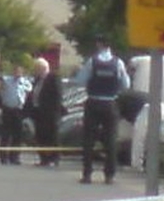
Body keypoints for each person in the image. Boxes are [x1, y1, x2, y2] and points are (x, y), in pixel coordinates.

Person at [74, 35, 130, 184]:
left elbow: (80, 80)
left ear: (99, 44)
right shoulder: (118, 63)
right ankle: (109, 175)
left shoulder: (92, 61)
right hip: (110, 103)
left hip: (93, 101)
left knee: (88, 140)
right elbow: (126, 85)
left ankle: (87, 174)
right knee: (110, 140)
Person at [27, 57, 63, 167]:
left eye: (37, 69)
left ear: (42, 68)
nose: (35, 71)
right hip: (38, 112)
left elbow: (58, 96)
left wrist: (54, 112)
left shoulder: (53, 78)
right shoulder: (37, 80)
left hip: (50, 113)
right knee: (40, 136)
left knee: (51, 136)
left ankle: (53, 158)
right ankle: (44, 159)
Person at [0, 64, 33, 164]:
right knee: (6, 134)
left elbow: (29, 93)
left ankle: (14, 157)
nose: (17, 73)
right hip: (7, 110)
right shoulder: (7, 81)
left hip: (18, 110)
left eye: (19, 71)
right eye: (15, 71)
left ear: (22, 73)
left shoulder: (26, 83)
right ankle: (3, 157)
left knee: (17, 135)